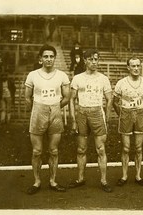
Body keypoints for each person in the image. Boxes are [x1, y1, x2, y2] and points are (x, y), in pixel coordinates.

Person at [25, 44, 70, 195]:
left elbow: (67, 97)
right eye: (45, 56)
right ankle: (37, 181)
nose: (49, 59)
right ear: (40, 59)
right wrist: (38, 109)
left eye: (51, 56)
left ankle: (53, 181)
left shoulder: (62, 75)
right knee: (37, 151)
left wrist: (55, 106)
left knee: (54, 150)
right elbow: (26, 97)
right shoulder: (33, 75)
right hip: (38, 111)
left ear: (55, 58)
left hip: (55, 112)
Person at [69, 49, 113, 193]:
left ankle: (104, 180)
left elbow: (109, 98)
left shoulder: (103, 78)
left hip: (97, 113)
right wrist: (73, 119)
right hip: (82, 113)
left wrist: (107, 116)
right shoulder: (78, 78)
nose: (94, 62)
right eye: (91, 59)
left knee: (100, 149)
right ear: (85, 60)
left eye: (96, 59)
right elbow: (71, 99)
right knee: (81, 149)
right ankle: (80, 178)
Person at [113, 56, 143, 187]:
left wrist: (142, 114)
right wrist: (122, 115)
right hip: (125, 113)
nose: (136, 68)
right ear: (128, 67)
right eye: (133, 66)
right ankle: (124, 176)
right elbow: (115, 102)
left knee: (138, 148)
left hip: (140, 113)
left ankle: (138, 175)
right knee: (125, 148)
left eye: (138, 66)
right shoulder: (121, 83)